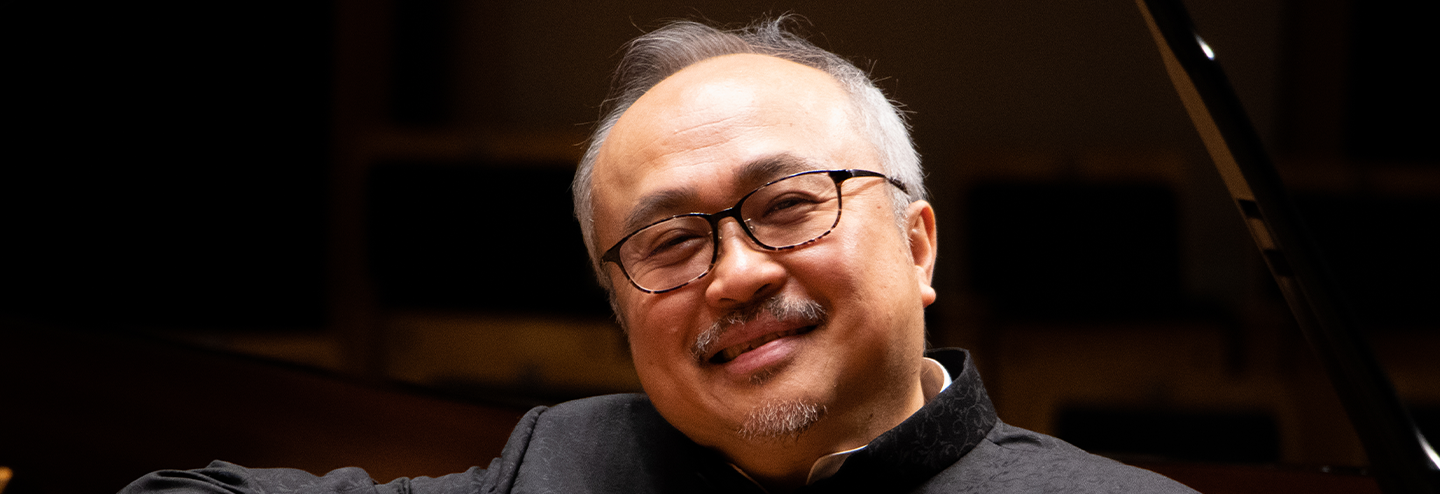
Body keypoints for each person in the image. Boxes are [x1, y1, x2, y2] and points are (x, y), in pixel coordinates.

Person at [124, 17, 1197, 494]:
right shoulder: (564, 465)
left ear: (918, 244)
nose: (735, 274)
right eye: (671, 241)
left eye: (788, 205)